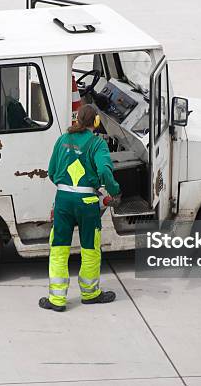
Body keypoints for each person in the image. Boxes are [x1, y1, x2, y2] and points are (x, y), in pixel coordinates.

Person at [39, 104, 121, 312]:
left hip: (63, 201)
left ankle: (57, 300)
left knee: (58, 249)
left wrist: (66, 188)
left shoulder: (62, 140)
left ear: (77, 120)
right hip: (87, 203)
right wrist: (113, 189)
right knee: (90, 249)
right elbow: (104, 169)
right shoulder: (97, 144)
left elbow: (51, 171)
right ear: (95, 122)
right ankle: (90, 293)